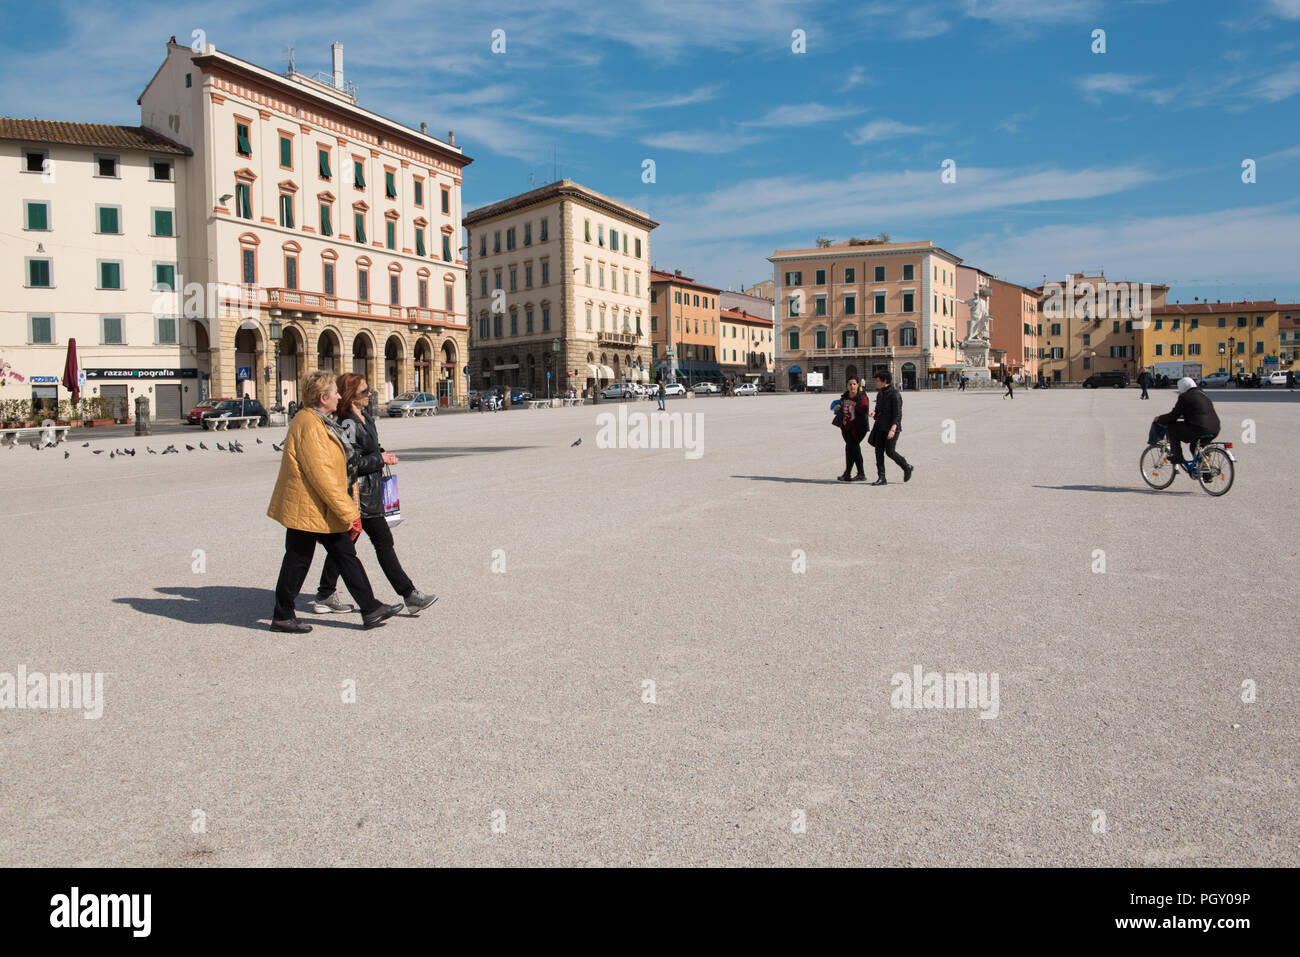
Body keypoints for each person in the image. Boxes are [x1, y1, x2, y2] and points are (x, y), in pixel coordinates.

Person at [266, 369, 404, 633]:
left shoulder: (318, 420)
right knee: (301, 558)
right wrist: (348, 511)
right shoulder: (309, 424)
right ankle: (284, 614)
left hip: (315, 506)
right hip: (310, 506)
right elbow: (323, 475)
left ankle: (369, 607)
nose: (339, 396)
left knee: (337, 554)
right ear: (322, 397)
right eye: (334, 393)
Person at [313, 373, 436, 617]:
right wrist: (379, 459)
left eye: (368, 390)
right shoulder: (347, 422)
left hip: (371, 489)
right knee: (381, 542)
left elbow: (368, 447)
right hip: (358, 494)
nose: (369, 394)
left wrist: (381, 452)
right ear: (350, 396)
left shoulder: (365, 416)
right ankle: (409, 594)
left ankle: (325, 593)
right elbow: (349, 461)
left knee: (345, 546)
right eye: (364, 392)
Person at [1151, 376, 1221, 475]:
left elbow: (1173, 416)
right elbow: (1198, 410)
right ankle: (1206, 471)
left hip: (1199, 428)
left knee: (1172, 428)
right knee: (1195, 447)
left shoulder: (1185, 397)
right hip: (1214, 428)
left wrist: (1160, 418)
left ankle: (1177, 456)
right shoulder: (1203, 394)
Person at [868, 370, 913, 485]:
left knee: (890, 451)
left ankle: (906, 466)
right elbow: (878, 409)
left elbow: (898, 414)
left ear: (885, 381)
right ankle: (882, 477)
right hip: (879, 427)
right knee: (878, 452)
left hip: (891, 428)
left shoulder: (895, 394)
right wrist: (874, 413)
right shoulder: (880, 394)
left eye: (878, 380)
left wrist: (893, 428)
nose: (876, 383)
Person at [836, 377, 870, 482]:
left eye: (854, 384)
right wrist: (838, 407)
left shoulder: (862, 396)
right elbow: (840, 407)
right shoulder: (845, 396)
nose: (852, 386)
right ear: (847, 386)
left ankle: (848, 474)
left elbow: (865, 408)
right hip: (846, 427)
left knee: (850, 448)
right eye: (850, 384)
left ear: (858, 385)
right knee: (853, 449)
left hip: (859, 428)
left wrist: (854, 404)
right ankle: (860, 474)